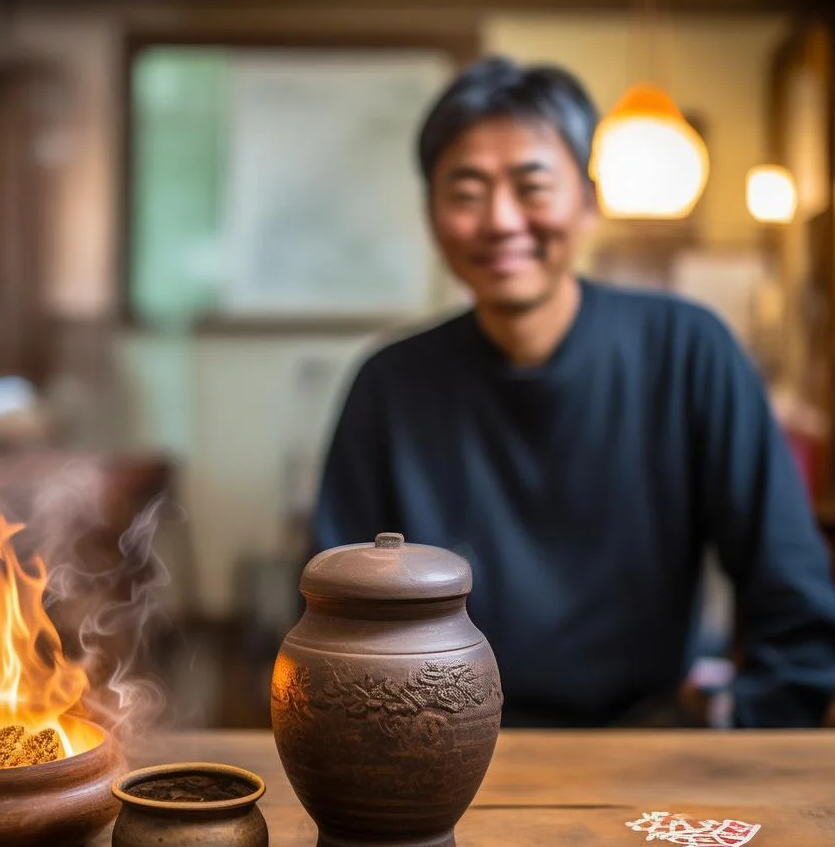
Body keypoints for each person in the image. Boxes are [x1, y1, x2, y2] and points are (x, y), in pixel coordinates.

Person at [311, 55, 835, 728]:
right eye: (466, 192)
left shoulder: (688, 352)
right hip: (432, 748)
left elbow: (797, 611)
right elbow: (335, 620)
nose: (500, 220)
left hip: (650, 742)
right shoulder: (388, 385)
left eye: (532, 186)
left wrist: (736, 730)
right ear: (432, 213)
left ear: (588, 201)